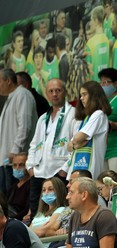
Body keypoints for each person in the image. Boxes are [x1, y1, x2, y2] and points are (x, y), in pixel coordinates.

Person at [26, 78, 77, 221]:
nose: (55, 94)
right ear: (47, 94)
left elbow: (77, 144)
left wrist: (65, 168)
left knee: (61, 211)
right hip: (39, 171)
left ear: (65, 92)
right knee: (37, 212)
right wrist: (30, 166)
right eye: (51, 91)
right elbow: (34, 144)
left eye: (58, 90)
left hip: (58, 171)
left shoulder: (73, 114)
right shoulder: (43, 118)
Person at [62, 177, 117, 248]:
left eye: (71, 192)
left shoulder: (104, 216)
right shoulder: (75, 216)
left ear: (84, 195)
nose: (67, 197)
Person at [0, 68, 37, 196]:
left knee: (14, 199)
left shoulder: (22, 95)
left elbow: (24, 126)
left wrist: (15, 150)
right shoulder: (11, 97)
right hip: (7, 159)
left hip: (16, 160)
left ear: (8, 80)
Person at [67, 81, 112, 180]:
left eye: (84, 94)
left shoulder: (98, 114)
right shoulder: (85, 118)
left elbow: (78, 138)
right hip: (76, 168)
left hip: (91, 168)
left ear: (94, 96)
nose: (81, 98)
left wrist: (75, 143)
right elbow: (69, 146)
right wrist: (75, 145)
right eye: (80, 95)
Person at [45, 169, 92, 248]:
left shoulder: (95, 209)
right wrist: (57, 233)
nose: (68, 185)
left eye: (71, 181)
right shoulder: (68, 209)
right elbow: (49, 231)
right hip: (58, 241)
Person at [85, 5, 110, 82]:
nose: (90, 23)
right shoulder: (106, 40)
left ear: (96, 20)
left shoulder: (90, 43)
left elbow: (88, 74)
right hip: (105, 86)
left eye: (91, 20)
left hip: (95, 89)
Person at [6, 152, 30, 221]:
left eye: (21, 165)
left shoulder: (31, 186)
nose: (17, 168)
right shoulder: (13, 187)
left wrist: (11, 219)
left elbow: (26, 210)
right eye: (15, 165)